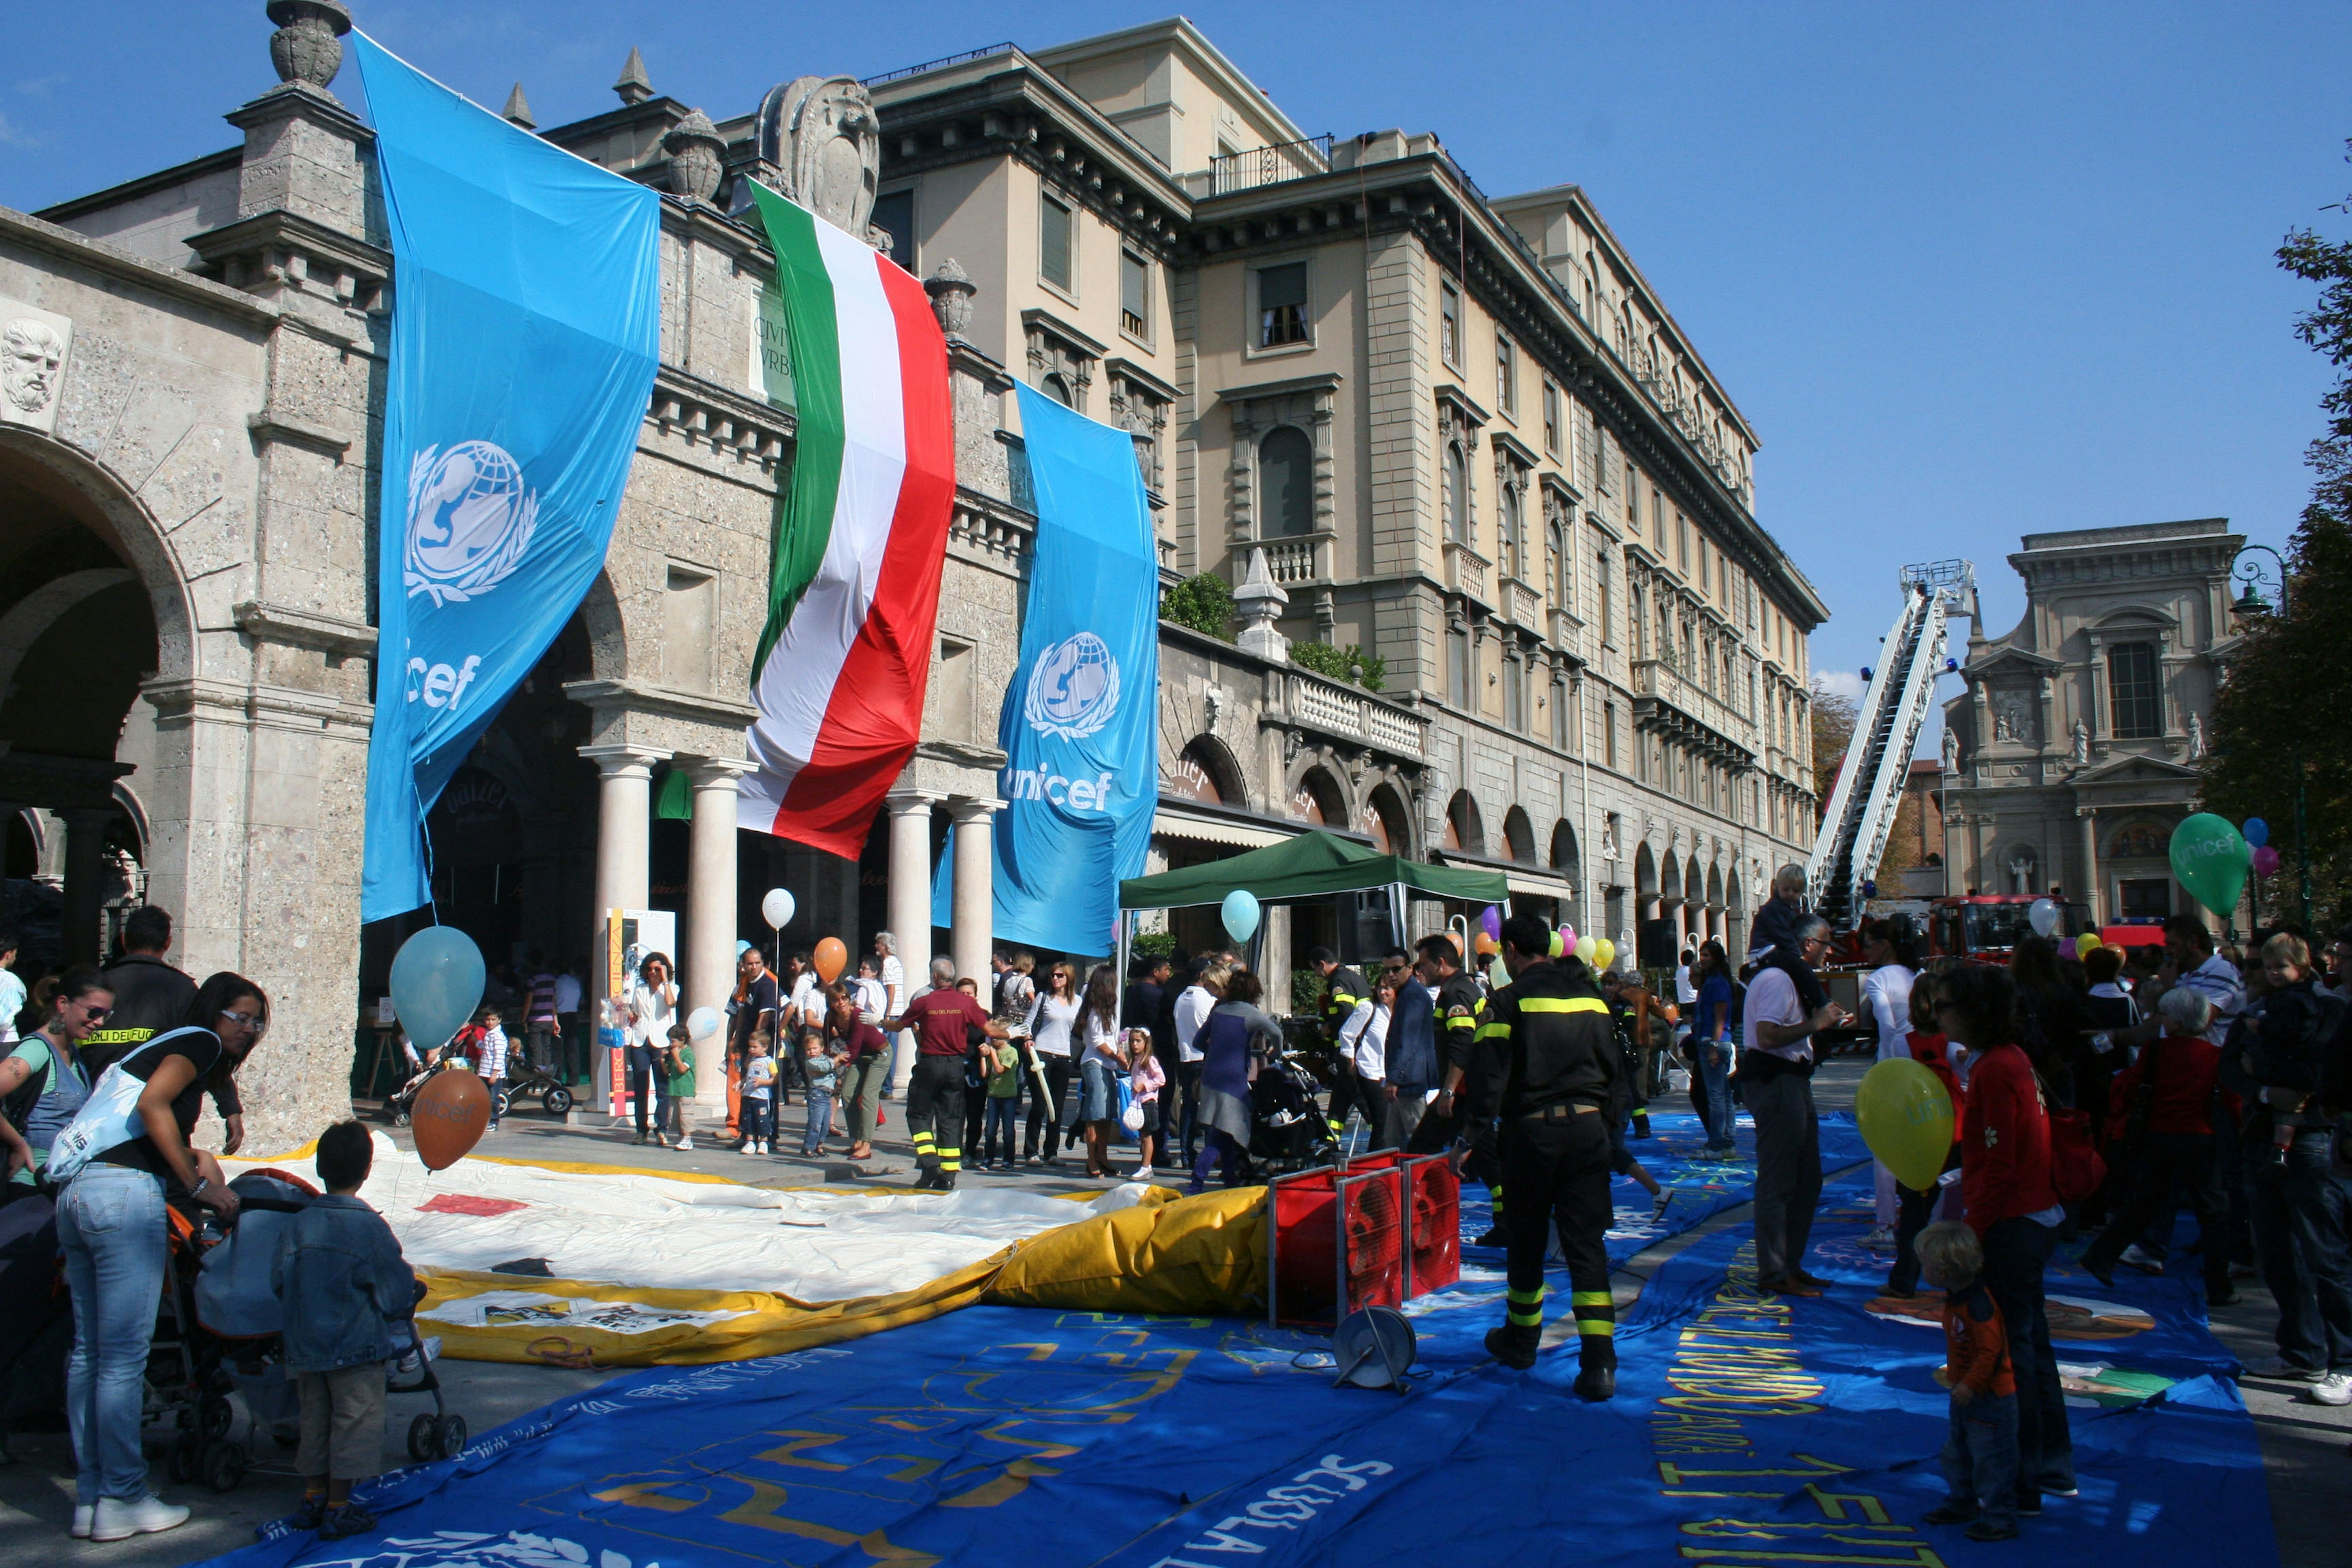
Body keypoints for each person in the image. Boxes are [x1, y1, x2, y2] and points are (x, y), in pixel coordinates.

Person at [52, 971, 267, 1542]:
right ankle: (123, 1494)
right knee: (121, 1358)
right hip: (123, 1195)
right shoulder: (197, 1040)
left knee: (90, 1353)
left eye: (257, 1022)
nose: (247, 1030)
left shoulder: (160, 1044)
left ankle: (94, 1495)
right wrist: (197, 1187)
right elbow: (154, 1105)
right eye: (240, 1016)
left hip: (77, 1192)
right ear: (214, 1009)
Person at [1461, 915, 1622, 1399]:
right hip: (1588, 1132)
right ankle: (1599, 1364)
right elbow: (1615, 1072)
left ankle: (1521, 1340)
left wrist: (1468, 1137)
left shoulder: (1507, 1002)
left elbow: (1488, 1077)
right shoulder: (1593, 1000)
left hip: (1532, 1137)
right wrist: (1615, 1136)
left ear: (1510, 951)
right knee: (1586, 1248)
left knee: (1527, 1242)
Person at [1942, 962, 2074, 1515]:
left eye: (1948, 1004)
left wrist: (1971, 1229)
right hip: (2030, 1212)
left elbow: (1997, 1160)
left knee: (2010, 1349)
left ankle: (2020, 1473)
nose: (1939, 1014)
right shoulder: (2009, 1060)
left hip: (2011, 1221)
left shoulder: (1996, 1068)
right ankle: (2046, 1463)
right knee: (2031, 1344)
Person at [273, 1120, 419, 1542]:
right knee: (355, 1423)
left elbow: (278, 1281)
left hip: (305, 1344)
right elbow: (394, 1293)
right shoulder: (369, 1228)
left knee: (314, 1420)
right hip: (355, 1346)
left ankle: (313, 1495)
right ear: (368, 1171)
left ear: (319, 1169)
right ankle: (340, 1506)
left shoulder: (298, 1225)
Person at [2236, 931, 2352, 1399]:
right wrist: (2264, 1087)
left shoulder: (2328, 1010)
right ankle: (2300, 1351)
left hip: (2313, 1139)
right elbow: (2235, 1066)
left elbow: (2318, 1075)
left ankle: (2343, 1359)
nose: (2266, 974)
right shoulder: (2262, 1010)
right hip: (2266, 1135)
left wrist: (2274, 1079)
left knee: (2324, 1255)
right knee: (2277, 1251)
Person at [2079, 986, 2237, 1306]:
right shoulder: (2214, 1056)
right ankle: (2219, 1285)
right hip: (2198, 1137)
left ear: (2175, 1022)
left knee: (2145, 1201)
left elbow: (2136, 1084)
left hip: (2158, 1135)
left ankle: (2101, 1255)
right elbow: (2230, 1098)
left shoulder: (2155, 1051)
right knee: (2213, 1212)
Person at [1742, 912, 1846, 1297]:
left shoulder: (1788, 979)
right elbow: (1767, 1036)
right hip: (1776, 1081)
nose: (1829, 951)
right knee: (1780, 1179)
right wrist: (1816, 1025)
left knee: (1807, 1178)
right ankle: (1773, 1270)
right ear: (1807, 944)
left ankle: (1789, 1264)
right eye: (1825, 943)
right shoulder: (1777, 979)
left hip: (1792, 1079)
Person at [88, 906, 240, 1156]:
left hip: (96, 1120)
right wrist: (230, 1109)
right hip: (162, 1129)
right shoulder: (183, 990)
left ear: (124, 940)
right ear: (168, 943)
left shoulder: (97, 986)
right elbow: (207, 1051)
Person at [1917, 1221, 2022, 1543]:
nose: (1922, 1270)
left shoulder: (1977, 1307)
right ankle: (1962, 1502)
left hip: (1989, 1398)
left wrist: (1971, 1384)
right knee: (1957, 1452)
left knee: (1991, 1460)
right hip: (1965, 1393)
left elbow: (1992, 1352)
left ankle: (1999, 1518)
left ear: (1943, 1271)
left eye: (1925, 1265)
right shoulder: (1959, 1298)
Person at [884, 974, 1006, 1191]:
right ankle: (948, 1177)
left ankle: (930, 1163)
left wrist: (878, 1021)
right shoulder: (966, 1003)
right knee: (950, 1119)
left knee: (918, 1115)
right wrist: (1011, 1033)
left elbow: (898, 1026)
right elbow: (989, 1030)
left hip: (930, 1064)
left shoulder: (924, 1002)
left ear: (935, 977)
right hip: (955, 1067)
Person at [1886, 977, 1966, 1301]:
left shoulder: (1903, 1042)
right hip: (1955, 1130)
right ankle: (1959, 1281)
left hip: (1919, 1132)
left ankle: (1903, 1281)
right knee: (1955, 1209)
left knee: (1915, 1211)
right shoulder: (1956, 1042)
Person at [0, 964, 107, 1202]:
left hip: (56, 1187)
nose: (100, 1022)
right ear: (63, 1004)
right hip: (31, 1189)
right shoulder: (38, 1050)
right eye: (94, 1012)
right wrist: (18, 1145)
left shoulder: (71, 1052)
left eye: (106, 1015)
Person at [1190, 968, 1279, 1194]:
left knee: (1225, 1132)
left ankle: (1230, 1182)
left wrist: (1214, 1052)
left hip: (1211, 1077)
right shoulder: (1250, 1013)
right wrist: (1273, 1054)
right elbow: (1276, 1032)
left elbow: (1198, 1041)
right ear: (1254, 991)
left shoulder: (1219, 1010)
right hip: (1233, 1079)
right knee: (1222, 1136)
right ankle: (1196, 1182)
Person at [1860, 919, 1920, 1246]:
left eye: (1869, 944)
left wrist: (1887, 1068)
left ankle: (1885, 1224)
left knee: (1884, 1148)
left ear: (1885, 945)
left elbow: (1887, 1027)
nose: (1866, 950)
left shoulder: (1878, 979)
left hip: (1895, 1067)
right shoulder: (1917, 975)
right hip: (1924, 1067)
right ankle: (1922, 1212)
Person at [1746, 863, 1831, 1014]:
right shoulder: (1773, 910)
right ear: (1777, 887)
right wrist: (1798, 957)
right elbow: (1784, 937)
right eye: (1786, 889)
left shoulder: (1785, 910)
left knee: (1799, 972)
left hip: (1767, 952)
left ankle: (1811, 1006)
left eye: (1796, 891)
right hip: (1766, 952)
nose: (1791, 894)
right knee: (1802, 969)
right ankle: (1823, 1004)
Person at [1024, 963, 1083, 1165]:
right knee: (1040, 1104)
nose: (1055, 979)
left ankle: (1052, 1151)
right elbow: (1028, 1023)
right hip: (1042, 1053)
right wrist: (1028, 1039)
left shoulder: (1078, 1002)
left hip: (1065, 1056)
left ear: (1069, 978)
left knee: (1056, 1107)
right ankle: (1031, 1151)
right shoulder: (1043, 998)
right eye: (1052, 975)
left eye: (1060, 975)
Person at [1383, 950, 1438, 1150]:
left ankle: (1426, 1180)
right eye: (1386, 970)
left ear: (1409, 969)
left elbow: (1408, 1041)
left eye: (1396, 969)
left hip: (1410, 1081)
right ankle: (1399, 1179)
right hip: (1405, 1080)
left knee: (1418, 1139)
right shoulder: (1408, 994)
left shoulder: (1413, 996)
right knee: (1392, 1140)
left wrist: (1395, 1078)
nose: (1390, 975)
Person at [830, 987, 892, 1163]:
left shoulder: (857, 1015)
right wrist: (827, 1061)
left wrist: (841, 1064)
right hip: (860, 1057)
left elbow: (855, 1046)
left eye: (844, 998)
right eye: (836, 1000)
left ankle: (867, 1144)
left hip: (880, 1054)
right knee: (848, 1093)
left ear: (850, 999)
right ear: (831, 1004)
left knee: (868, 1096)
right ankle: (858, 1139)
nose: (841, 1002)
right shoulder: (832, 1017)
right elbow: (826, 1040)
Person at [1076, 965, 1125, 1179]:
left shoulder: (1109, 1010)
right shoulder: (1095, 1010)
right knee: (1096, 1114)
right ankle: (1092, 1160)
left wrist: (1120, 1052)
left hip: (1109, 1064)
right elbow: (1098, 1042)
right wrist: (1117, 1058)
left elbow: (1113, 1039)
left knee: (1107, 1114)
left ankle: (1103, 1156)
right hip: (1095, 1062)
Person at [729, 947, 780, 1145]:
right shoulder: (744, 983)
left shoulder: (767, 984)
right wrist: (736, 1037)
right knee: (748, 1087)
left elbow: (765, 1017)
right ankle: (747, 1134)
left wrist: (757, 1045)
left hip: (763, 1045)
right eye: (750, 963)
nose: (754, 967)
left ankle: (768, 1136)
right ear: (743, 965)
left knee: (766, 1089)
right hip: (748, 1041)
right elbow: (741, 1011)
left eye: (758, 963)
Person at [1691, 941, 1737, 1158]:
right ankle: (1727, 1142)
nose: (1703, 959)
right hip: (1713, 1041)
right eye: (1702, 955)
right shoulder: (1711, 982)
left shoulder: (1718, 983)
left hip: (1714, 1041)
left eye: (1707, 955)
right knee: (1725, 1095)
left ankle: (1717, 1145)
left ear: (1717, 957)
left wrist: (1714, 1047)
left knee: (1716, 1096)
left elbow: (1720, 1017)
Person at [625, 953, 677, 1146]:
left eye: (657, 969)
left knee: (662, 1087)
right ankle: (641, 1130)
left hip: (661, 1040)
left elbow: (671, 1004)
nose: (653, 973)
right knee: (641, 1085)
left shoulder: (670, 989)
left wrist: (665, 982)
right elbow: (634, 1011)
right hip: (640, 1039)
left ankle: (662, 1128)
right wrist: (628, 1013)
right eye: (650, 969)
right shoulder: (640, 989)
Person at [1337, 973, 1393, 1148]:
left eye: (1388, 988)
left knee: (1391, 1124)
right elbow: (1346, 1034)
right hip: (1370, 1071)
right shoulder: (1369, 1008)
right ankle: (1374, 1165)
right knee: (1381, 1122)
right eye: (1380, 988)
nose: (1383, 992)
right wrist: (1351, 1062)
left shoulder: (1398, 1011)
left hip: (1390, 1074)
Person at [1171, 958, 1217, 1164]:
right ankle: (1210, 1154)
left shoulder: (1181, 999)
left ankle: (1187, 1154)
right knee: (1208, 1109)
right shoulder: (1207, 1000)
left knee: (1189, 1107)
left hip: (1185, 1057)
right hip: (1203, 1058)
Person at [979, 1027, 1024, 1172]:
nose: (994, 1040)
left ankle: (1009, 1160)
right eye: (992, 1038)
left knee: (1008, 1130)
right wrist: (983, 1057)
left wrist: (991, 1052)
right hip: (993, 1095)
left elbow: (1000, 1070)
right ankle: (988, 1158)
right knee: (990, 1130)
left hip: (1008, 1096)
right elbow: (985, 1074)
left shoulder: (1012, 1052)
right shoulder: (993, 1053)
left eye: (997, 1037)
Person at [797, 1028, 842, 1158]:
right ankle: (808, 1147)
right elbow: (825, 1068)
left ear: (822, 1048)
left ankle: (819, 1145)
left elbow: (830, 1070)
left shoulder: (825, 1059)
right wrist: (837, 1059)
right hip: (817, 1094)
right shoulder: (811, 1062)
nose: (812, 1052)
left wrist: (836, 1078)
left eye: (815, 1048)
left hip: (827, 1095)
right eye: (809, 1050)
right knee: (815, 1123)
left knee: (825, 1122)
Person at [1128, 1030, 1165, 1180]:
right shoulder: (1136, 1060)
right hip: (1139, 1103)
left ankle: (1145, 1167)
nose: (1135, 1045)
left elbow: (1161, 1079)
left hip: (1148, 1102)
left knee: (1147, 1136)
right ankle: (1146, 1164)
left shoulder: (1149, 1060)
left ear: (1146, 1043)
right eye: (1132, 1041)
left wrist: (1144, 1086)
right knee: (1143, 1135)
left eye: (1138, 1041)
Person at [656, 1021, 695, 1150]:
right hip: (674, 1089)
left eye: (673, 1041)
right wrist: (663, 1061)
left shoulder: (688, 1054)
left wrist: (677, 1056)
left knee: (686, 1115)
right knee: (675, 1116)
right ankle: (681, 1137)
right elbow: (668, 1072)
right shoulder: (674, 1054)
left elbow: (683, 1069)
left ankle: (688, 1139)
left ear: (682, 1040)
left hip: (686, 1090)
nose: (671, 1044)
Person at [472, 1004, 510, 1133]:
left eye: (493, 1020)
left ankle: (494, 1121)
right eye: (488, 1020)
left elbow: (499, 1056)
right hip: (484, 1071)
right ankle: (484, 1119)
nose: (490, 1022)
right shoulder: (489, 1034)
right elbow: (486, 1049)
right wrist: (476, 1041)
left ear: (499, 1020)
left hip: (493, 1074)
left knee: (493, 1098)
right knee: (484, 1097)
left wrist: (495, 1073)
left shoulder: (498, 1036)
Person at [739, 1028, 777, 1156]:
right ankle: (750, 1141)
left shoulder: (769, 1062)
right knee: (748, 1119)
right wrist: (741, 1082)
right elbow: (749, 1076)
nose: (752, 1050)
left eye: (755, 1047)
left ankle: (763, 1141)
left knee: (762, 1120)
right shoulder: (751, 1061)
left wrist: (763, 1082)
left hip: (762, 1097)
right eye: (750, 1047)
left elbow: (775, 1078)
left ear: (765, 1047)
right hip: (748, 1095)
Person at [522, 952, 559, 1079]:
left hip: (535, 1020)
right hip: (549, 1020)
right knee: (547, 1051)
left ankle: (537, 1080)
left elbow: (529, 1001)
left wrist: (524, 1019)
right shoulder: (552, 979)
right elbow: (553, 1002)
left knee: (536, 1051)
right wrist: (556, 1021)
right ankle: (547, 1079)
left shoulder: (532, 980)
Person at [0, 928, 23, 1045]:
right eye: (15, 955)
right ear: (8, 955)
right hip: (5, 1041)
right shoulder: (10, 980)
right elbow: (3, 1020)